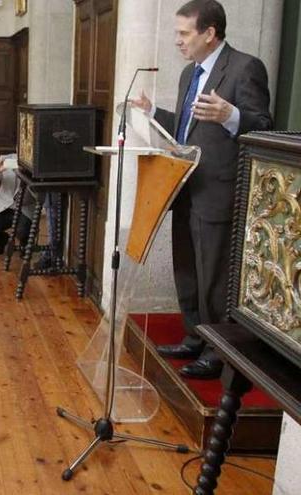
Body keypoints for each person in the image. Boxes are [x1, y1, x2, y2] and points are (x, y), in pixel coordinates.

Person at [131, 0, 272, 379]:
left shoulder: (245, 68)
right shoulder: (188, 75)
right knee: (188, 269)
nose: (177, 41)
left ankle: (218, 352)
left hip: (219, 193)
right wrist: (153, 113)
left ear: (209, 34)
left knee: (213, 276)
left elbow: (263, 128)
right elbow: (188, 130)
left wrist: (233, 116)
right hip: (185, 186)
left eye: (183, 33)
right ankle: (194, 338)